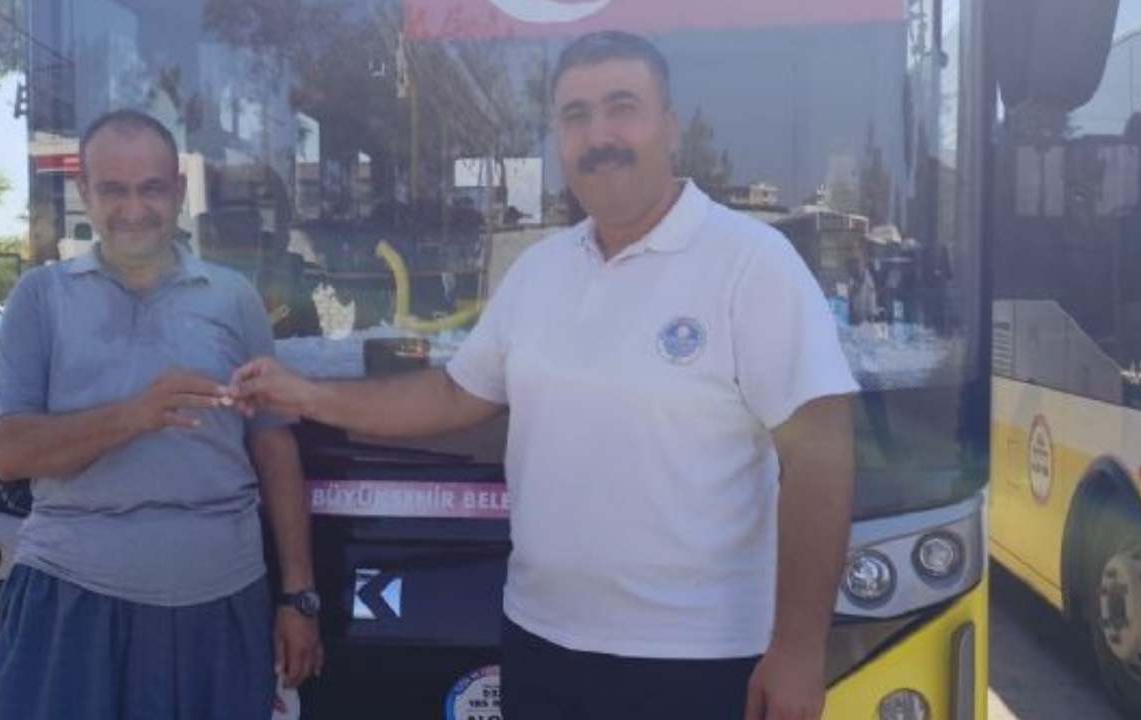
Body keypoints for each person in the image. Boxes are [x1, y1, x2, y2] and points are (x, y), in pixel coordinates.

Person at [232, 31, 856, 720]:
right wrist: (308, 395)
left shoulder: (751, 262)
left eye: (623, 107)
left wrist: (799, 649)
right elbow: (454, 394)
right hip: (542, 642)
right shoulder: (539, 270)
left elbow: (820, 454)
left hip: (699, 657)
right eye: (576, 116)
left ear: (671, 125)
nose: (600, 135)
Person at [0, 109, 321, 720]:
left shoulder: (234, 300)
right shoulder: (39, 298)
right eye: (113, 189)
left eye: (152, 188)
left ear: (179, 191)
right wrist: (136, 414)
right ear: (85, 191)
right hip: (70, 603)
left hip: (220, 605)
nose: (134, 209)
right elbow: (9, 453)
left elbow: (274, 447)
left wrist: (299, 595)